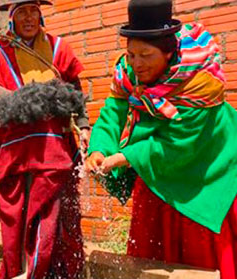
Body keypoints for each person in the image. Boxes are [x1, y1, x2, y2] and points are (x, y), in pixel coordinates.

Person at [85, 0, 237, 278]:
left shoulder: (201, 81)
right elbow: (114, 111)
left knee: (199, 255)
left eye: (145, 55)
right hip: (154, 163)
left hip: (204, 168)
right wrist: (100, 148)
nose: (136, 63)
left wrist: (125, 157)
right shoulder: (129, 72)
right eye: (131, 54)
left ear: (168, 53)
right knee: (151, 244)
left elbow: (183, 142)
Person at [0, 0, 88, 278]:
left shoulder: (58, 48)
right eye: (21, 12)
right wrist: (28, 101)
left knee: (56, 215)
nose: (29, 18)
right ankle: (24, 270)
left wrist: (83, 125)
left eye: (33, 11)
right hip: (17, 149)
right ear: (11, 17)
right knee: (20, 215)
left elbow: (75, 88)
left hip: (55, 146)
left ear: (41, 14)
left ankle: (58, 270)